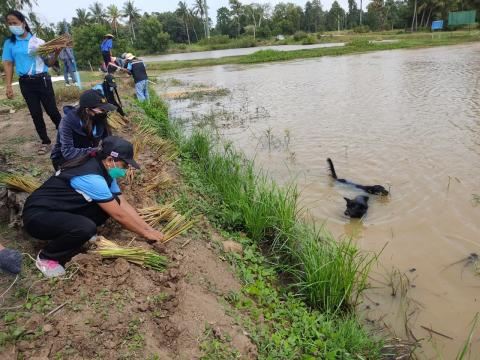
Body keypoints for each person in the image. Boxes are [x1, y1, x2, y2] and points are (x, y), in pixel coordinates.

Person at [23, 135, 165, 277]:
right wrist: (145, 234)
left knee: (113, 201)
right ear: (111, 160)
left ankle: (73, 233)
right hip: (38, 217)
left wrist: (149, 228)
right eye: (125, 165)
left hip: (59, 209)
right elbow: (119, 215)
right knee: (85, 227)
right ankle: (48, 257)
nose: (127, 169)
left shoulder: (104, 168)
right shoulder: (92, 178)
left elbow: (123, 204)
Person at [2, 10, 63, 155]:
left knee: (52, 110)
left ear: (23, 23)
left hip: (42, 80)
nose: (12, 26)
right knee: (35, 113)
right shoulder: (10, 43)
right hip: (25, 83)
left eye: (14, 23)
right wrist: (9, 85)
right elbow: (9, 64)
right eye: (9, 24)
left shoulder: (38, 42)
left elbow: (48, 63)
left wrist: (57, 52)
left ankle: (65, 135)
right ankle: (45, 141)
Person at [51, 90, 114, 170]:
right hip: (65, 159)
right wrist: (96, 150)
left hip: (88, 155)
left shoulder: (100, 117)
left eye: (106, 110)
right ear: (87, 110)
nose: (105, 112)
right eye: (101, 110)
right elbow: (68, 152)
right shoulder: (68, 122)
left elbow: (108, 139)